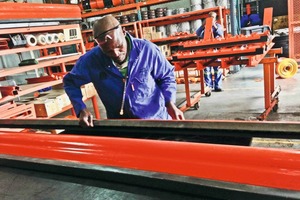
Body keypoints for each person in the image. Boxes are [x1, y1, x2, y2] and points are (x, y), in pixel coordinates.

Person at [63, 14, 185, 127]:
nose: (116, 53)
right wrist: (81, 108)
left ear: (124, 32)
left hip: (155, 121)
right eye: (108, 51)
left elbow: (166, 76)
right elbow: (70, 82)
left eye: (119, 47)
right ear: (99, 46)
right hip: (121, 125)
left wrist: (169, 102)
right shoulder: (92, 60)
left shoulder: (147, 51)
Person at [196, 11, 224, 92]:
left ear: (215, 18)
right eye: (210, 17)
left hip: (215, 51)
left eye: (213, 17)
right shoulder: (204, 28)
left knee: (217, 69)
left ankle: (218, 86)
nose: (212, 19)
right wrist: (203, 26)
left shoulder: (218, 26)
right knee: (206, 70)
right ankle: (208, 86)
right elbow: (197, 34)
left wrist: (214, 26)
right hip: (206, 52)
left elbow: (221, 34)